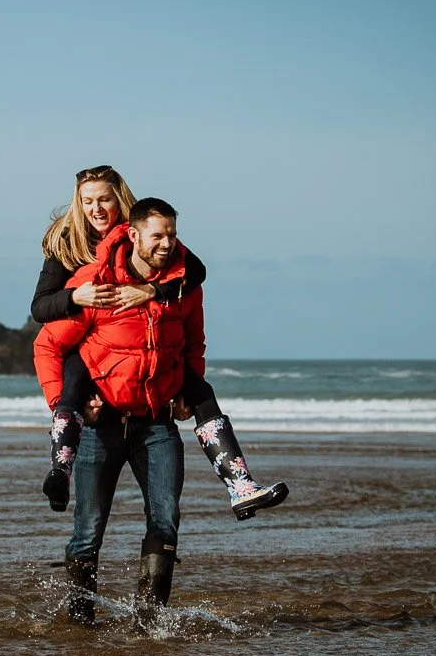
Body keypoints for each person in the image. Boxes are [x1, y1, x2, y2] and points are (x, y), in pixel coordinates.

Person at [31, 165, 287, 522]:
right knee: (74, 375)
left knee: (199, 389)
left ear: (119, 199)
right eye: (88, 201)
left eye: (104, 198)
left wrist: (152, 290)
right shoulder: (67, 241)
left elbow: (193, 272)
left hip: (145, 340)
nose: (97, 208)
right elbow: (40, 308)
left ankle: (240, 485)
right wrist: (77, 296)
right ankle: (60, 470)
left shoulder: (147, 232)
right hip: (86, 333)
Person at [33, 198, 200, 622]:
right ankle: (79, 620)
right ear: (134, 234)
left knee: (166, 522)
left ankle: (149, 622)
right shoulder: (100, 285)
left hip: (157, 425)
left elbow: (193, 344)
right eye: (158, 235)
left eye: (172, 235)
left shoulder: (182, 286)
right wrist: (63, 405)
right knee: (88, 531)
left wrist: (186, 391)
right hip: (100, 427)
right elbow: (47, 345)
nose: (167, 243)